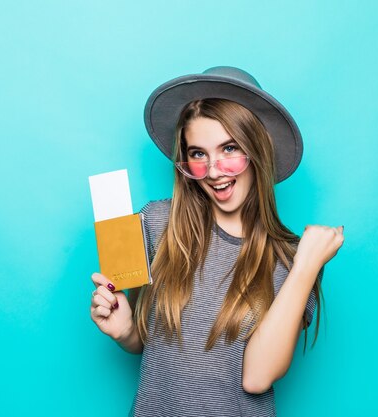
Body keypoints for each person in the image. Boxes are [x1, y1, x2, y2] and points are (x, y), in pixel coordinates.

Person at [90, 66, 345, 416]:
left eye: (229, 148)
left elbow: (256, 378)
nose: (213, 171)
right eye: (198, 154)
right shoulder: (157, 223)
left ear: (258, 150)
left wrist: (305, 268)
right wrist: (125, 333)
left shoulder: (292, 260)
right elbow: (155, 348)